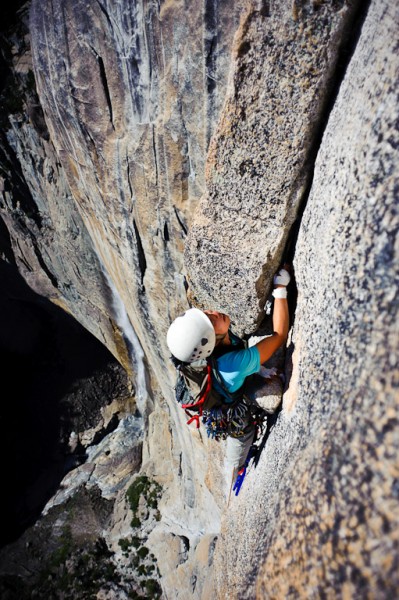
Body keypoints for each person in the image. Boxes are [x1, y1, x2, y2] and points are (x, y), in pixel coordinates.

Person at [166, 267, 291, 495]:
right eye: (211, 321)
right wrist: (280, 289)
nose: (214, 312)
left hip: (226, 385)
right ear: (210, 341)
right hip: (229, 409)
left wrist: (258, 369)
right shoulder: (231, 365)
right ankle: (233, 474)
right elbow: (279, 335)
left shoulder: (210, 346)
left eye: (207, 313)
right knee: (242, 437)